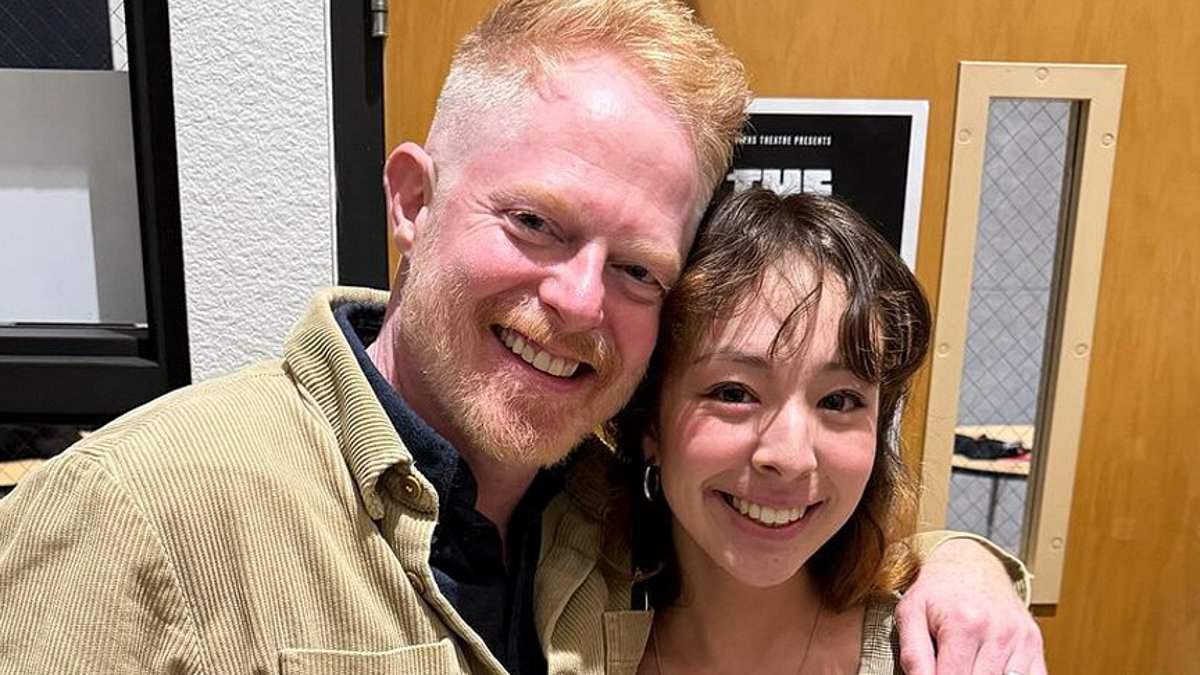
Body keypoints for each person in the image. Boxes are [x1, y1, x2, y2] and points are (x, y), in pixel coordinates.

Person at [0, 1, 1040, 673]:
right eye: (536, 222)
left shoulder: (601, 507)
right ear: (412, 201)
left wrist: (966, 568)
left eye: (637, 268)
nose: (581, 302)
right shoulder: (138, 512)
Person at [611, 188, 1045, 674]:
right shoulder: (571, 639)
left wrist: (970, 561)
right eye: (734, 393)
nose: (791, 456)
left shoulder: (936, 658)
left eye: (838, 401)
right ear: (650, 420)